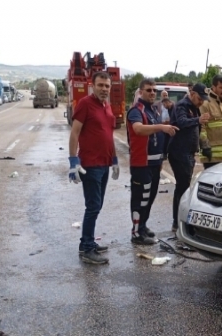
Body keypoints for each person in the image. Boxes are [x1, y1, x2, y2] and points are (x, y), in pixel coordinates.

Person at [68, 71, 118, 264]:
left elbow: (108, 135)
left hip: (104, 164)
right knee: (93, 206)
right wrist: (73, 160)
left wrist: (114, 160)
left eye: (107, 86)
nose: (104, 89)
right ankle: (87, 247)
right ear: (93, 85)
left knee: (97, 206)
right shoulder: (85, 104)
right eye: (100, 85)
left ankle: (87, 242)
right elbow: (75, 133)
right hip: (90, 165)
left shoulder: (107, 106)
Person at [126, 78, 179, 245]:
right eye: (148, 90)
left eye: (153, 90)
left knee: (150, 198)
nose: (152, 93)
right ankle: (136, 233)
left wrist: (162, 158)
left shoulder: (153, 111)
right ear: (141, 92)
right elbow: (138, 129)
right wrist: (161, 127)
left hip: (155, 164)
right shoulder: (136, 110)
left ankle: (142, 226)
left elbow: (157, 138)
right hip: (141, 164)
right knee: (140, 198)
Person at [168, 83, 210, 233]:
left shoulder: (194, 107)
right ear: (192, 94)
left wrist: (203, 145)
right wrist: (198, 120)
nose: (201, 102)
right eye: (199, 98)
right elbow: (182, 122)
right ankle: (177, 222)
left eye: (203, 99)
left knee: (184, 187)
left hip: (189, 153)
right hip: (179, 152)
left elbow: (197, 129)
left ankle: (179, 221)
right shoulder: (182, 106)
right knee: (183, 188)